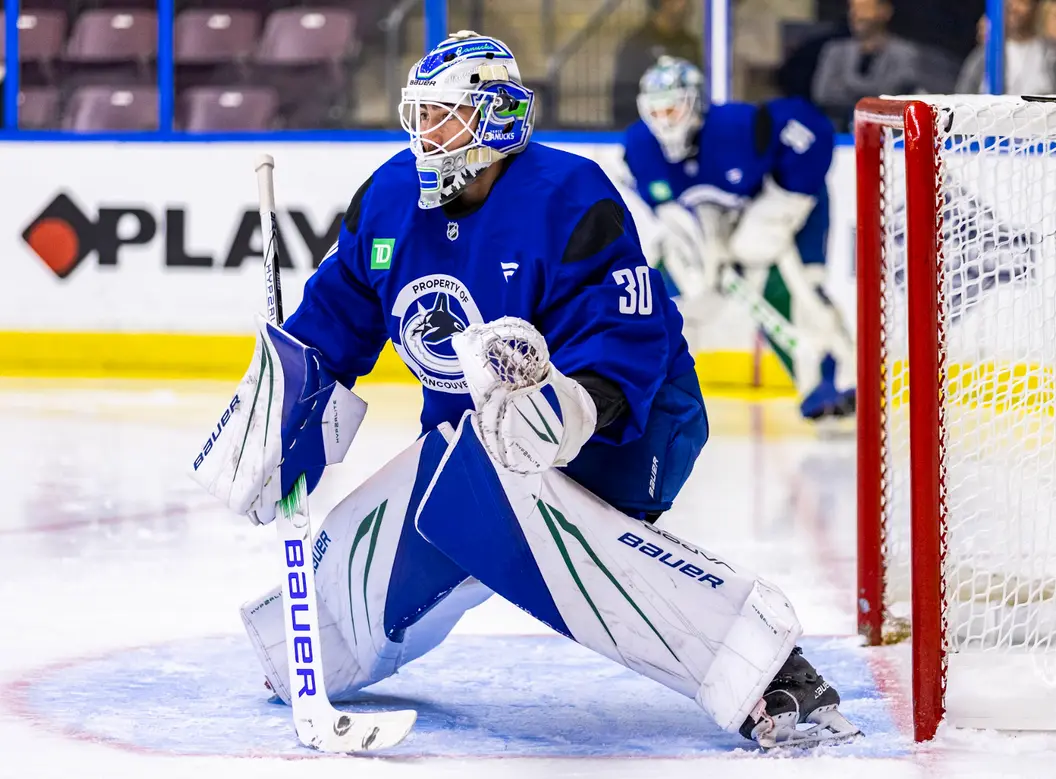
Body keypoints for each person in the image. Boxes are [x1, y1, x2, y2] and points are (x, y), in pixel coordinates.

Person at [189, 32, 859, 751]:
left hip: (631, 425)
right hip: (474, 441)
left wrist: (563, 411)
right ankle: (319, 646)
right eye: (420, 115)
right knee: (403, 519)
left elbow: (626, 343)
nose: (426, 135)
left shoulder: (569, 198)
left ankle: (764, 668)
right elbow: (330, 324)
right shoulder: (386, 201)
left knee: (519, 518)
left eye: (447, 117)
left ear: (499, 120)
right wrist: (281, 413)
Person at [622, 56, 856, 421]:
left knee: (799, 285)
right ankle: (636, 383)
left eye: (672, 109)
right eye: (655, 111)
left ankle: (835, 379)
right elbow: (660, 205)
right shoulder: (640, 147)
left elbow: (814, 131)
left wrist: (782, 205)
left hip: (780, 213)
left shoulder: (738, 127)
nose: (663, 121)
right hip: (715, 227)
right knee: (666, 291)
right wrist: (700, 244)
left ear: (695, 102)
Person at [812, 0, 923, 131]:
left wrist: (847, 86)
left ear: (885, 11)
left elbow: (892, 94)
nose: (855, 14)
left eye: (863, 8)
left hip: (890, 136)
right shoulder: (834, 51)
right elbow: (823, 94)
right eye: (852, 8)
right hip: (839, 135)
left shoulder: (906, 54)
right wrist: (872, 97)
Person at [955, 0, 1056, 95]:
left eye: (1022, 2)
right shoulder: (985, 56)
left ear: (1036, 7)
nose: (1013, 6)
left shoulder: (1055, 59)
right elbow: (963, 100)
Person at [611, 0, 703, 128]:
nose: (685, 4)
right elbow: (624, 99)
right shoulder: (637, 45)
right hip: (648, 129)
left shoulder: (690, 44)